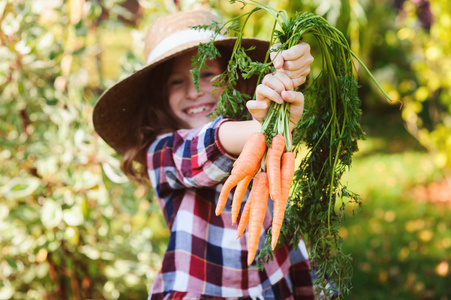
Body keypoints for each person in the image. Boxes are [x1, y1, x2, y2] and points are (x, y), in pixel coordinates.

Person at [93, 9, 315, 300]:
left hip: (273, 283)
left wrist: (288, 76)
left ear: (232, 79)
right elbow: (204, 149)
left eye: (206, 74)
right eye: (176, 82)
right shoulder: (162, 153)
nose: (194, 90)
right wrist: (261, 129)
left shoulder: (254, 137)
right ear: (160, 96)